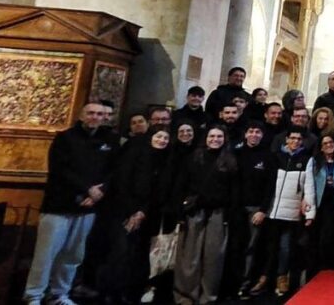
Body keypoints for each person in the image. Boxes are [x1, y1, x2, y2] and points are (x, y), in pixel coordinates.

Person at [24, 103, 118, 305]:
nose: (95, 117)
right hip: (60, 205)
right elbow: (59, 170)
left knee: (73, 255)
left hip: (88, 207)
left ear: (105, 118)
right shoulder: (65, 138)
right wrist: (86, 189)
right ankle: (34, 294)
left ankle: (59, 293)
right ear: (82, 115)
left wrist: (99, 192)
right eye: (91, 113)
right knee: (46, 254)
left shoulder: (109, 140)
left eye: (99, 114)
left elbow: (113, 170)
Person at [96, 127, 171, 304]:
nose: (162, 140)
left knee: (137, 255)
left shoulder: (165, 160)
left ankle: (129, 291)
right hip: (123, 212)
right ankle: (110, 291)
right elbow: (122, 183)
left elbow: (158, 191)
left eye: (166, 138)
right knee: (119, 252)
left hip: (146, 215)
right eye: (159, 136)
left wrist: (141, 213)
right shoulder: (135, 155)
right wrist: (132, 212)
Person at [173, 126, 238, 304]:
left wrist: (229, 214)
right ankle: (185, 296)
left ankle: (208, 297)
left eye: (219, 136)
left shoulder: (230, 160)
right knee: (189, 257)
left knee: (213, 257)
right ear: (205, 138)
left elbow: (234, 191)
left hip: (218, 213)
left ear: (224, 139)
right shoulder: (193, 157)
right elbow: (181, 184)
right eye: (212, 136)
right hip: (194, 211)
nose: (215, 139)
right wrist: (180, 210)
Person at [264, 130, 316, 297]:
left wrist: (310, 214)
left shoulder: (307, 159)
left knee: (286, 247)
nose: (295, 141)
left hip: (291, 213)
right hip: (271, 211)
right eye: (292, 138)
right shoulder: (275, 156)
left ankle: (282, 277)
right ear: (286, 139)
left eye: (299, 139)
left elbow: (309, 187)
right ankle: (266, 278)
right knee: (269, 247)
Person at [233, 121, 273, 299]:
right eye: (251, 131)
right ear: (246, 134)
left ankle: (245, 284)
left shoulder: (268, 156)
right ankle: (231, 284)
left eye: (258, 132)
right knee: (234, 247)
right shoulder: (236, 153)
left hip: (256, 209)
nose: (254, 134)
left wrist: (263, 210)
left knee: (251, 248)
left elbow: (270, 186)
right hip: (235, 208)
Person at [309, 134, 334, 275]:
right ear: (321, 147)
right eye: (325, 143)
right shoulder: (314, 162)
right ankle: (315, 265)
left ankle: (327, 262)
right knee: (314, 234)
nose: (328, 145)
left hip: (333, 202)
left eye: (331, 142)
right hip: (317, 201)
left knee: (328, 233)